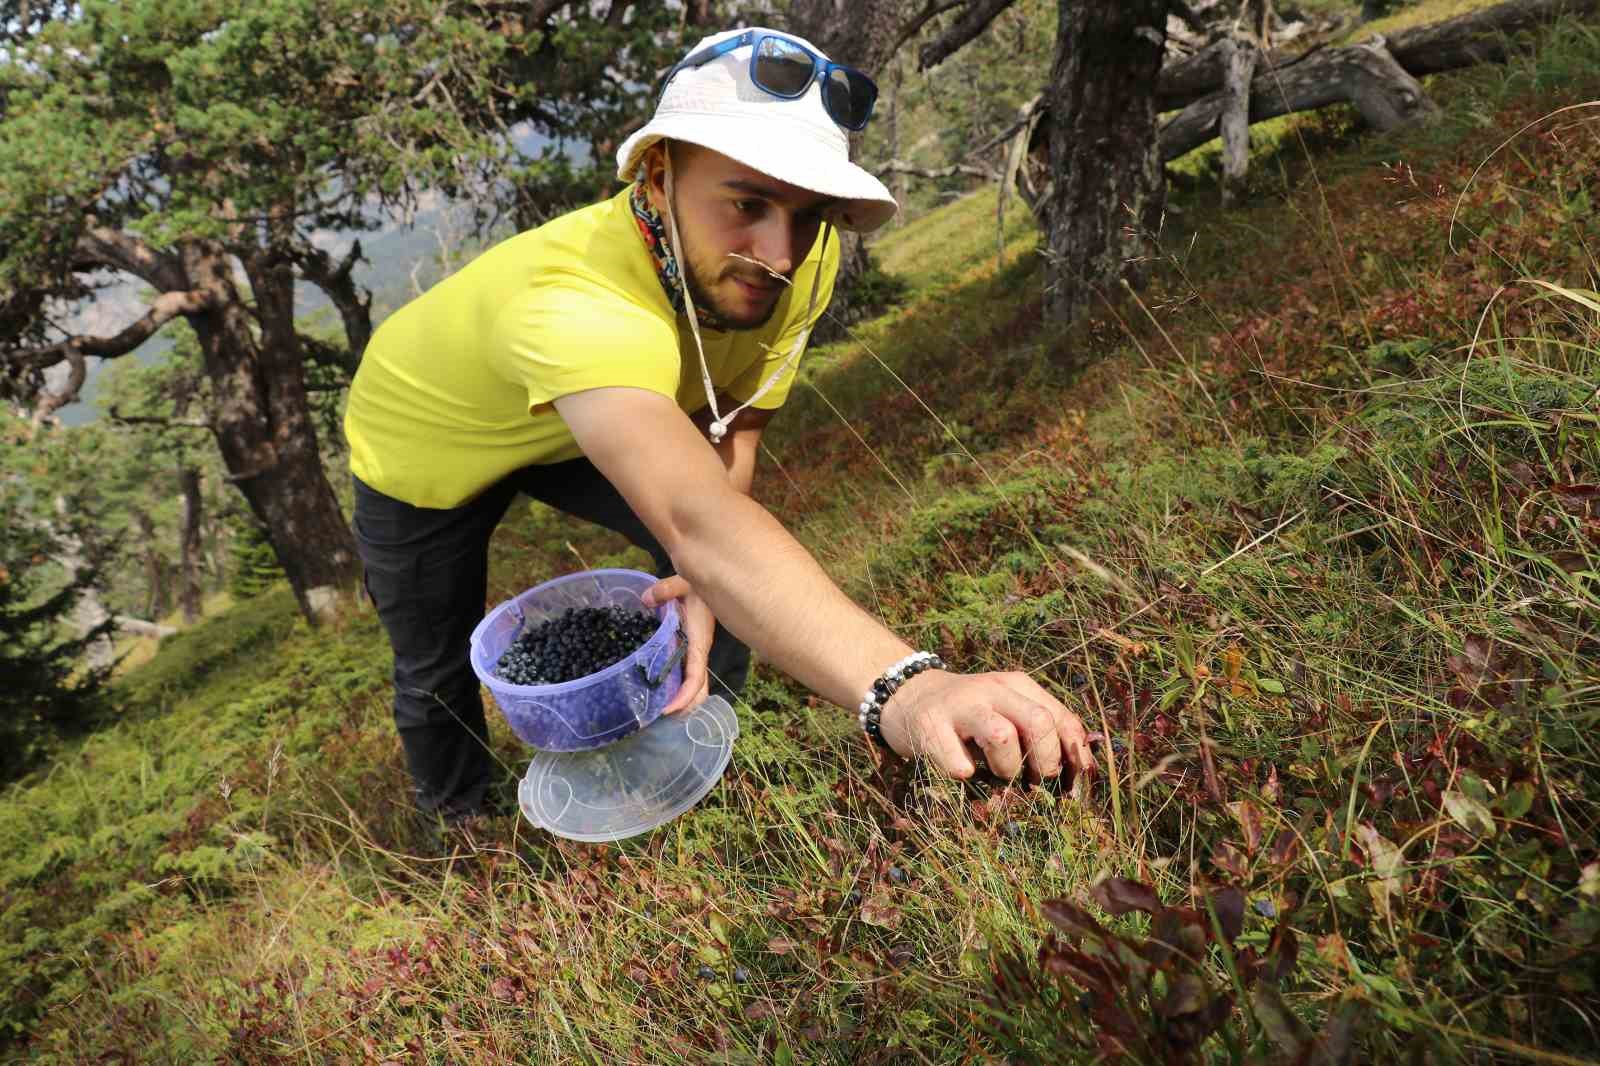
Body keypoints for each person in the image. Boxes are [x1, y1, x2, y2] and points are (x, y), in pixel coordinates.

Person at [343, 26, 1094, 825]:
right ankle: (463, 825)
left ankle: (702, 761)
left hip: (600, 409)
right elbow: (699, 520)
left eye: (808, 214)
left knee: (710, 576)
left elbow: (734, 434)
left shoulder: (802, 258)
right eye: (746, 203)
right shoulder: (575, 307)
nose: (779, 251)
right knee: (433, 657)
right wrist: (908, 686)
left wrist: (705, 574)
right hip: (424, 441)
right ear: (660, 176)